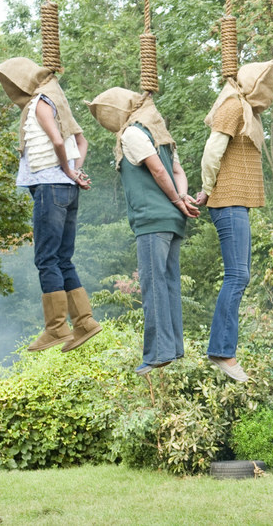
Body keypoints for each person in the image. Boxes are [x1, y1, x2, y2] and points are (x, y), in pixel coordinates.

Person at [86, 87, 200, 375]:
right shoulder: (160, 136)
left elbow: (159, 172)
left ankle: (157, 353)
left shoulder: (132, 134)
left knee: (153, 284)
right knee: (170, 282)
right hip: (172, 220)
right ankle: (173, 348)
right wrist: (183, 199)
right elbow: (178, 173)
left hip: (152, 220)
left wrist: (177, 199)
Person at [0, 57, 101, 353]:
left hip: (51, 186)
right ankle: (85, 322)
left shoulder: (41, 101)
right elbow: (82, 141)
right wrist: (76, 171)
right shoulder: (58, 101)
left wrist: (68, 170)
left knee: (46, 259)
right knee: (63, 258)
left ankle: (56, 328)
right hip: (66, 188)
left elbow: (57, 141)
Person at [193, 60, 273, 383]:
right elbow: (211, 151)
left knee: (242, 275)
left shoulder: (246, 111)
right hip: (226, 201)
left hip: (237, 203)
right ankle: (223, 351)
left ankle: (223, 349)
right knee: (237, 275)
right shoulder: (232, 106)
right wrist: (205, 188)